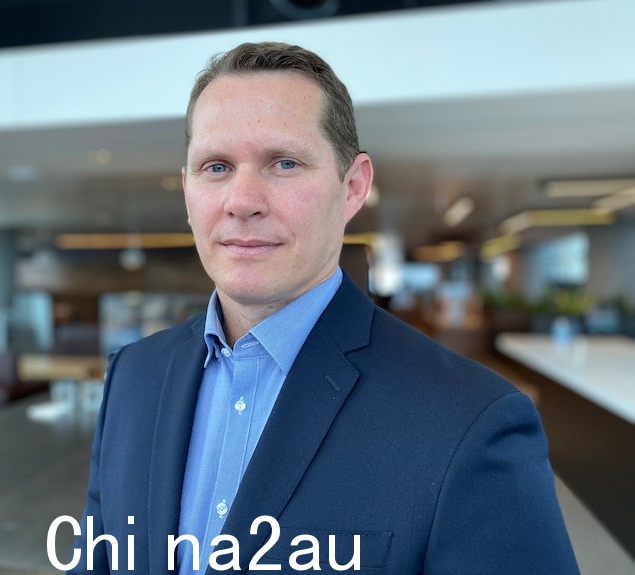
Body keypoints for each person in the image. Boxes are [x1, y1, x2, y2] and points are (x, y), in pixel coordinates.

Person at [70, 42, 578, 574]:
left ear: (353, 186)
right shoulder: (133, 377)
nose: (242, 200)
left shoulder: (473, 420)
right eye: (216, 166)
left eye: (284, 163)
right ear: (187, 192)